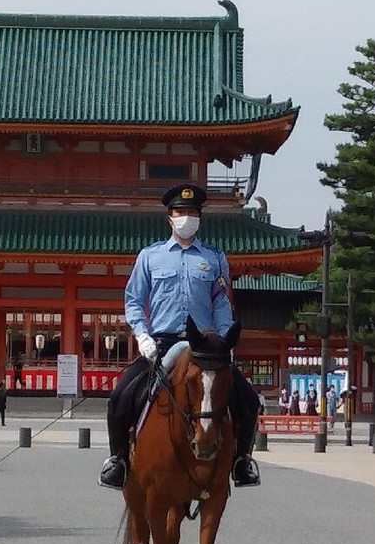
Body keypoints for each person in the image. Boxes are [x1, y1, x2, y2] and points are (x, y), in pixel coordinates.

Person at [99, 183, 262, 490]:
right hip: (163, 344)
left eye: (192, 212)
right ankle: (118, 461)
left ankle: (242, 461)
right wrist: (143, 337)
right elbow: (134, 301)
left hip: (205, 346)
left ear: (199, 217)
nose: (187, 217)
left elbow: (223, 304)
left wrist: (224, 341)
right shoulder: (150, 257)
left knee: (249, 399)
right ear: (169, 218)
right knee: (120, 397)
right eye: (180, 212)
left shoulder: (214, 258)